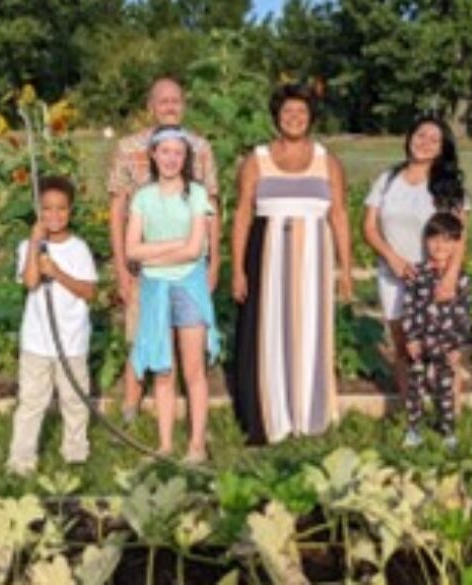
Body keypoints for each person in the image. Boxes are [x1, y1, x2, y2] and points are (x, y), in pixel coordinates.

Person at [231, 83, 353, 445]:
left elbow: (341, 216)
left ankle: (309, 413)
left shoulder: (326, 161)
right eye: (287, 112)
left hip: (314, 258)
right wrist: (237, 268)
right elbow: (241, 215)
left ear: (311, 118)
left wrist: (345, 270)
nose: (294, 118)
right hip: (266, 256)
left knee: (311, 332)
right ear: (276, 117)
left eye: (301, 112)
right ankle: (273, 414)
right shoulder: (257, 160)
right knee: (268, 332)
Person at [107, 77, 221, 422]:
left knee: (187, 336)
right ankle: (131, 402)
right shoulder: (128, 148)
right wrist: (121, 268)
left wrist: (214, 261)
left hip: (188, 269)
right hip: (145, 266)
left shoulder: (199, 148)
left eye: (176, 101)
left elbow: (212, 207)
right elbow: (117, 211)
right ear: (150, 107)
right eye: (162, 101)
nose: (170, 107)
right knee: (143, 332)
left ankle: (178, 410)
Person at [125, 126, 220, 462]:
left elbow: (196, 250)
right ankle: (165, 445)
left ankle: (196, 444)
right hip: (155, 290)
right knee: (163, 370)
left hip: (188, 287)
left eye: (177, 153)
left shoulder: (195, 194)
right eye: (164, 152)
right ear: (153, 155)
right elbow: (131, 250)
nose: (170, 159)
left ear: (185, 157)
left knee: (193, 369)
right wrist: (174, 246)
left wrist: (154, 250)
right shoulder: (143, 197)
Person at [362, 115, 469, 406]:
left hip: (436, 279)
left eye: (434, 140)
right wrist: (392, 259)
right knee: (403, 347)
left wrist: (449, 278)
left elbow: (460, 236)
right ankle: (413, 412)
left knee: (443, 349)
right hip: (394, 277)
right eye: (420, 135)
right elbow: (369, 228)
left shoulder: (447, 186)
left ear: (442, 148)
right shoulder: (387, 180)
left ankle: (451, 416)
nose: (425, 143)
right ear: (409, 137)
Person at [6, 176, 99, 476]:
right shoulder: (29, 246)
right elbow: (31, 282)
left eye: (61, 209)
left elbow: (89, 292)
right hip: (37, 342)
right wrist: (35, 245)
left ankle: (75, 451)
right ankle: (21, 459)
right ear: (38, 211)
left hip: (71, 341)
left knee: (74, 400)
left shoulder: (79, 249)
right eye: (47, 209)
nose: (54, 216)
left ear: (70, 211)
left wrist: (57, 272)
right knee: (32, 402)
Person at [401, 212, 472, 451]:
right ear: (425, 242)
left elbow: (463, 316)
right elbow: (408, 307)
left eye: (447, 240)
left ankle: (447, 430)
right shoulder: (416, 273)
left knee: (445, 389)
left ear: (456, 244)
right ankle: (413, 429)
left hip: (446, 345)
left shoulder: (461, 279)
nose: (440, 246)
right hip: (420, 345)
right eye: (434, 240)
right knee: (415, 389)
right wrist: (410, 338)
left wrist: (456, 346)